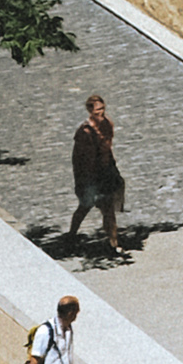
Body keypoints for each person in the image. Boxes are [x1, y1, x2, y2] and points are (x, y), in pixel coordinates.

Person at [64, 95, 125, 261]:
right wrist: (84, 181)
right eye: (98, 111)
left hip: (105, 174)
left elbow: (108, 148)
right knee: (85, 206)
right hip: (90, 177)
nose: (101, 113)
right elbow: (79, 160)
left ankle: (113, 243)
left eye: (103, 109)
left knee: (108, 210)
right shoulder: (84, 132)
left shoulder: (107, 124)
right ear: (90, 111)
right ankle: (71, 235)